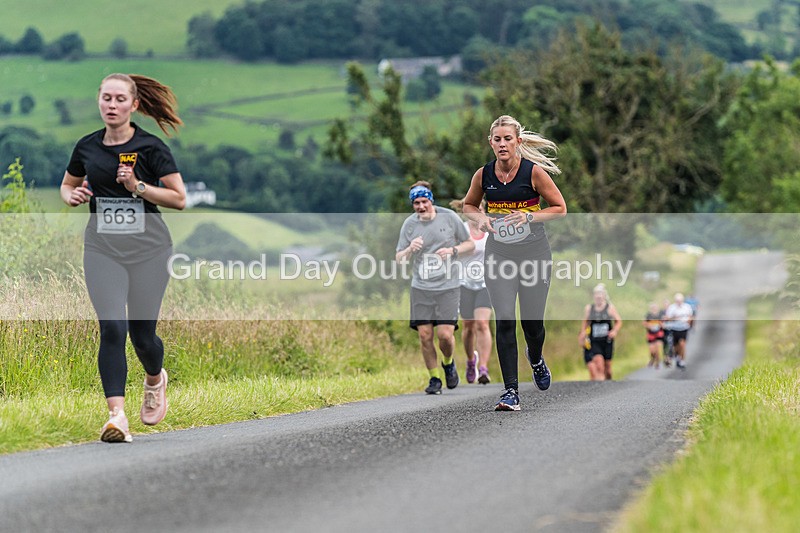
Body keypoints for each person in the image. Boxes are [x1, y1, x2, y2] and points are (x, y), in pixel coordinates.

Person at [60, 73, 186, 442]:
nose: (111, 106)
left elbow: (179, 199)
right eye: (106, 98)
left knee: (142, 336)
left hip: (150, 251)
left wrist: (138, 187)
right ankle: (117, 417)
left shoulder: (151, 147)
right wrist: (72, 196)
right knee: (112, 327)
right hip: (103, 249)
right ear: (98, 101)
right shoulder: (87, 147)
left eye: (119, 99)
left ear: (134, 105)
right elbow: (68, 184)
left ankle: (154, 379)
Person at [463, 115, 567, 411]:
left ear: (518, 141)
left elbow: (560, 208)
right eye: (497, 139)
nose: (502, 144)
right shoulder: (483, 175)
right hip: (500, 253)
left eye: (508, 138)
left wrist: (529, 216)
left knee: (532, 324)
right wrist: (481, 218)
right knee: (505, 318)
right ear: (491, 143)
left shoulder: (533, 173)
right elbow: (469, 204)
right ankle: (510, 391)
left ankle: (535, 357)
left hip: (534, 254)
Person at [396, 182, 474, 395]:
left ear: (431, 200)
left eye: (424, 201)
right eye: (416, 203)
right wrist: (410, 249)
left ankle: (448, 363)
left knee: (445, 336)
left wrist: (453, 250)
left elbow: (470, 244)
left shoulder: (449, 217)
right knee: (424, 335)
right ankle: (434, 379)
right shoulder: (409, 225)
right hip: (421, 287)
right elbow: (399, 258)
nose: (421, 206)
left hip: (448, 286)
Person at [449, 198, 493, 384]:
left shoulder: (490, 229)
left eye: (480, 208)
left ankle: (483, 368)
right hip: (463, 282)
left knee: (482, 324)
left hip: (486, 283)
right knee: (468, 326)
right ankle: (470, 361)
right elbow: (451, 253)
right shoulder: (461, 231)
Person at [579, 284, 622, 381]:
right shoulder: (589, 308)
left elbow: (618, 321)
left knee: (608, 368)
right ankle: (601, 386)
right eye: (596, 294)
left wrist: (614, 331)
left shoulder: (610, 308)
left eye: (600, 294)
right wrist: (583, 333)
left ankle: (609, 382)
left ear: (604, 296)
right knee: (599, 363)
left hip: (607, 340)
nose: (598, 296)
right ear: (594, 296)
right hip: (594, 340)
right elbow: (585, 321)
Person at [664, 292, 694, 369]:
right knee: (676, 346)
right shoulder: (672, 308)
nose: (679, 302)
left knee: (682, 344)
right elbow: (667, 318)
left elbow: (690, 316)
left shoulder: (687, 307)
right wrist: (675, 318)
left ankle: (682, 360)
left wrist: (689, 322)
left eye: (680, 300)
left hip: (684, 328)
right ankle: (677, 356)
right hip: (674, 329)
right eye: (677, 300)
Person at [643, 302, 664, 369]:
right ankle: (652, 358)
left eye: (655, 308)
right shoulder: (648, 315)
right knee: (652, 350)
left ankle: (657, 362)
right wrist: (649, 326)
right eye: (653, 308)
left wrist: (661, 324)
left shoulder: (660, 315)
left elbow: (663, 323)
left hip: (658, 333)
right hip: (651, 334)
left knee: (657, 348)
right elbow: (644, 323)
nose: (654, 309)